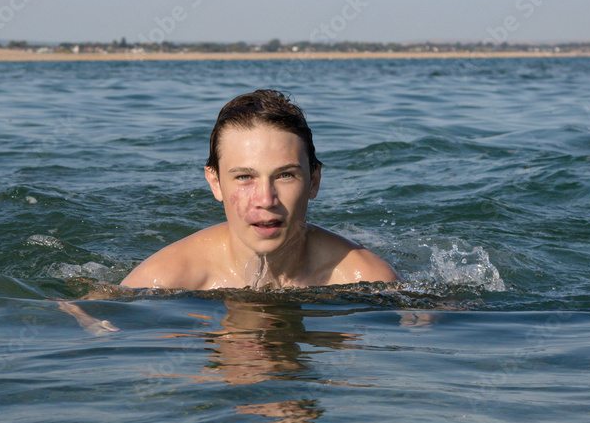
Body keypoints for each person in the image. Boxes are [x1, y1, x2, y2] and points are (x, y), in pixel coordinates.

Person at [120, 89, 398, 290]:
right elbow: (92, 316)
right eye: (244, 177)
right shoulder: (165, 279)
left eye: (285, 175)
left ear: (314, 181)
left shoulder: (366, 279)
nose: (266, 199)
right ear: (215, 183)